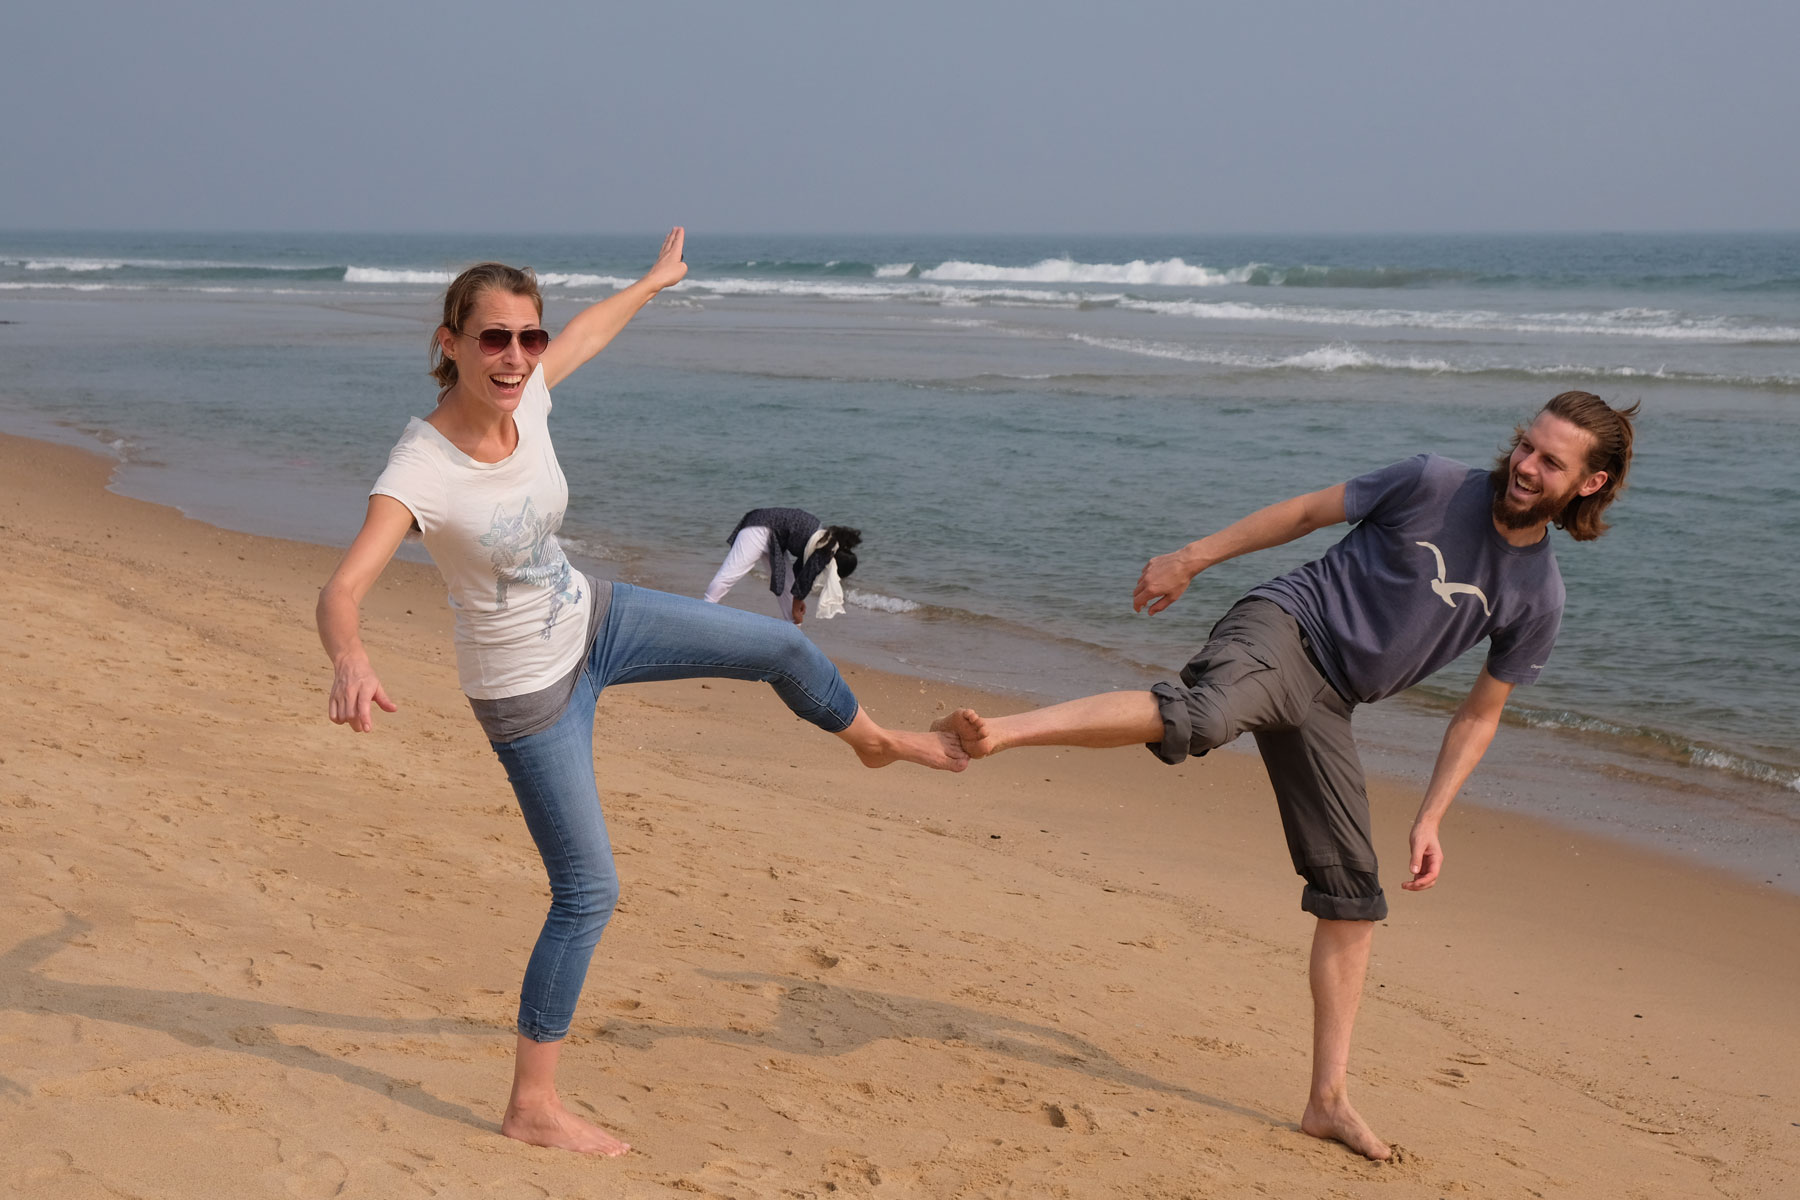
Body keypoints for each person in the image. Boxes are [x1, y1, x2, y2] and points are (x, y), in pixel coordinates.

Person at [315, 229, 967, 1157]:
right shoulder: (421, 468)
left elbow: (588, 333)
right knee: (588, 891)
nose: (516, 357)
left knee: (783, 647)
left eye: (526, 338)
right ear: (448, 343)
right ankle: (531, 1104)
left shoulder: (529, 398)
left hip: (600, 620)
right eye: (493, 338)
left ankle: (873, 738)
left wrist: (652, 283)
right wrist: (352, 657)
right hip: (525, 694)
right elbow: (342, 590)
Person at [934, 391, 1639, 1161]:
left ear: (1590, 484)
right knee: (1206, 716)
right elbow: (1308, 512)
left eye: (1551, 461)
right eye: (1528, 446)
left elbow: (1479, 713)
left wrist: (1432, 815)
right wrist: (1192, 556)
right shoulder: (1433, 481)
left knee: (1353, 897)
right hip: (1285, 626)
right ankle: (1001, 732)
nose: (1527, 466)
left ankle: (1326, 1102)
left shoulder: (1538, 595)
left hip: (1332, 702)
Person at [704, 507, 861, 624]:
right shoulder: (827, 548)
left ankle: (793, 630)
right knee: (729, 574)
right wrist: (796, 605)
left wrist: (797, 602)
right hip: (759, 528)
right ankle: (703, 610)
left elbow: (800, 570)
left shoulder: (824, 539)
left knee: (788, 585)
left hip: (774, 538)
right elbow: (807, 578)